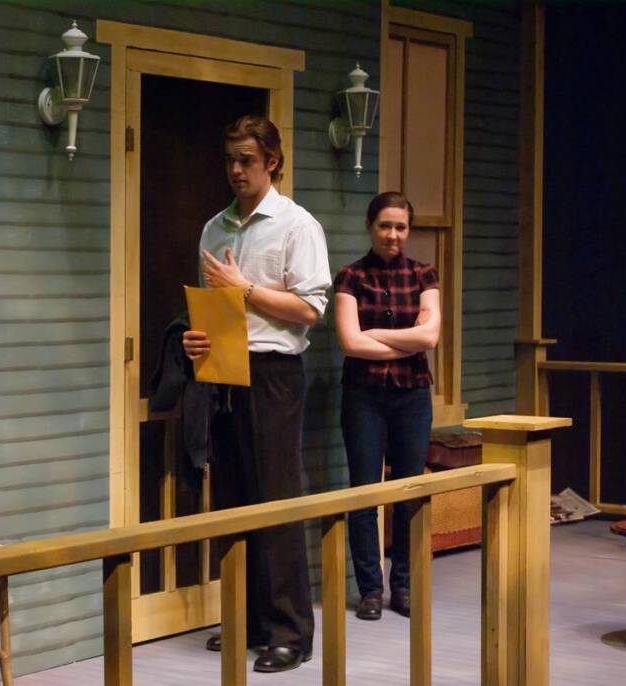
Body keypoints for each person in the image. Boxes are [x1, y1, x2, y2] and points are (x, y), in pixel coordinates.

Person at [182, 115, 331, 673]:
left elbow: (310, 308)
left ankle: (291, 631)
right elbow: (213, 303)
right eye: (229, 160)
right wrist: (198, 338)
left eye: (246, 159)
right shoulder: (214, 228)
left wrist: (245, 290)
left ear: (272, 161)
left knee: (276, 499)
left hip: (273, 374)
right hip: (223, 367)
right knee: (234, 499)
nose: (236, 170)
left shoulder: (296, 225)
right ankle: (245, 619)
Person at [332, 191, 441, 621]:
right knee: (365, 491)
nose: (393, 234)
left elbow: (429, 338)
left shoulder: (423, 273)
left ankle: (405, 586)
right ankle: (370, 590)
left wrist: (373, 334)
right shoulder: (351, 277)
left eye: (400, 226)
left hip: (412, 395)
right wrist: (403, 339)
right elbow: (349, 342)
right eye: (385, 225)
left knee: (410, 492)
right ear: (370, 226)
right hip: (364, 396)